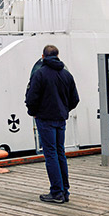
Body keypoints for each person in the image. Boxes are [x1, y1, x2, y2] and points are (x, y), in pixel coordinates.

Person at [24, 44, 80, 204]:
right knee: (60, 153)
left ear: (43, 57)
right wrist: (64, 109)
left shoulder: (40, 74)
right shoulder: (66, 75)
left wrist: (33, 112)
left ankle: (56, 192)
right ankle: (65, 191)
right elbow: (75, 99)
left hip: (45, 118)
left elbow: (31, 98)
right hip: (60, 119)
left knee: (51, 154)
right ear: (57, 56)